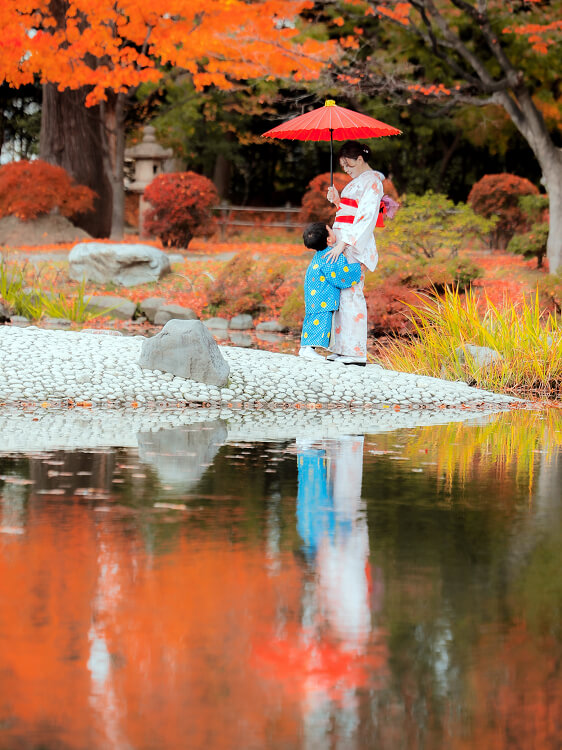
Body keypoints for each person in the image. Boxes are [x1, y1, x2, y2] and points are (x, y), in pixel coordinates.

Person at [324, 140, 385, 365]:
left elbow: (366, 217)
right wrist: (338, 201)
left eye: (348, 165)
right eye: (343, 167)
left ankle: (356, 352)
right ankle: (341, 348)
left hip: (354, 245)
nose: (346, 170)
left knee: (352, 295)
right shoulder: (357, 182)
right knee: (341, 296)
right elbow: (350, 211)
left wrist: (346, 242)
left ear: (360, 159)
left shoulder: (373, 183)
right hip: (343, 242)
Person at [298, 222, 362, 361]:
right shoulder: (332, 255)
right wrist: (358, 269)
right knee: (321, 321)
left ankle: (304, 348)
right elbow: (340, 275)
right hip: (323, 296)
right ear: (329, 239)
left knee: (312, 319)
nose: (334, 232)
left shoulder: (320, 254)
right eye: (331, 230)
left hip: (314, 293)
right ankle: (309, 348)